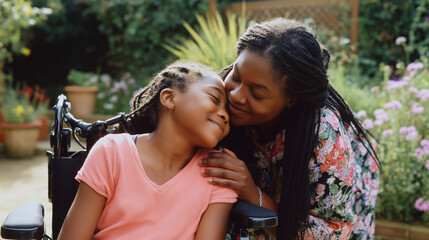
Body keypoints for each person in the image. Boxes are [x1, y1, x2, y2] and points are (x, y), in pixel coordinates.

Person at [199, 18, 380, 240]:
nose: (235, 95)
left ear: (291, 99)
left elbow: (328, 234)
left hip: (335, 193)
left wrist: (250, 190)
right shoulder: (216, 95)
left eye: (257, 93)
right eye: (236, 76)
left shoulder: (324, 135)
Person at [58, 61, 238, 240]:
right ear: (169, 98)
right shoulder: (112, 152)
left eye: (227, 111)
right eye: (214, 99)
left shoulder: (219, 173)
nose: (225, 115)